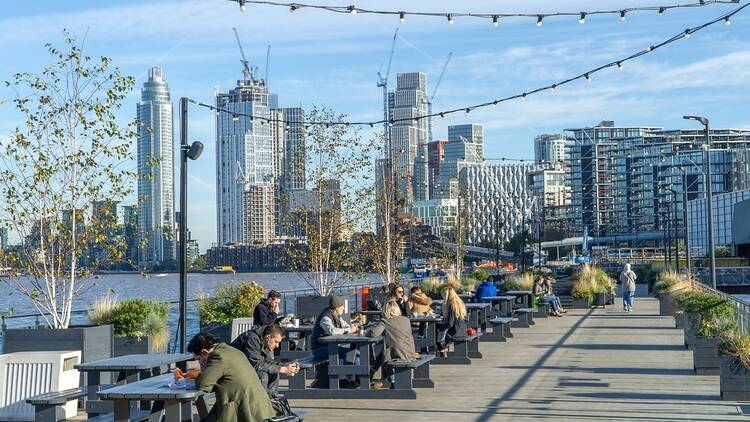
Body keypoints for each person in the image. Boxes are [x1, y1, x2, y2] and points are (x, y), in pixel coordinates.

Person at [188, 332, 276, 422]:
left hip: (245, 410)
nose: (199, 362)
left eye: (198, 359)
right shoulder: (231, 350)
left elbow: (203, 384)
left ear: (204, 352)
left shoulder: (218, 356)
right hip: (258, 406)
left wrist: (203, 368)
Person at [230, 324, 300, 395]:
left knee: (274, 374)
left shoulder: (263, 338)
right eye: (276, 342)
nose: (277, 345)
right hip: (233, 369)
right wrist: (283, 369)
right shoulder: (252, 339)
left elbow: (266, 360)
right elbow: (257, 365)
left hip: (247, 367)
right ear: (268, 337)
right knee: (263, 376)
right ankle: (261, 403)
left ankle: (272, 401)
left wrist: (283, 365)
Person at [310, 295, 361, 387]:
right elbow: (332, 331)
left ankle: (357, 379)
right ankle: (353, 380)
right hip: (319, 349)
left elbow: (345, 325)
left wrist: (352, 328)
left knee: (355, 353)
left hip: (329, 347)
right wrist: (349, 330)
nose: (344, 308)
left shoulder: (336, 316)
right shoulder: (325, 317)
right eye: (342, 306)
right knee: (350, 354)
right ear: (336, 307)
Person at [367, 299, 417, 388]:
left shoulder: (385, 321)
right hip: (410, 352)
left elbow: (373, 334)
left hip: (398, 356)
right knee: (385, 351)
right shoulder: (406, 320)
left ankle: (392, 381)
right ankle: (371, 374)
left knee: (386, 354)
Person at [436, 283, 469, 357]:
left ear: (446, 295)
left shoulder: (451, 305)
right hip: (462, 329)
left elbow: (450, 324)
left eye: (443, 296)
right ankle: (444, 350)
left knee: (436, 331)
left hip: (455, 332)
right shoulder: (458, 302)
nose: (443, 298)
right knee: (441, 330)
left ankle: (442, 351)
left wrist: (440, 327)